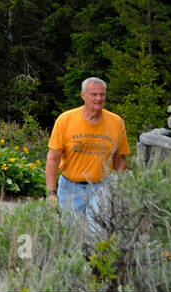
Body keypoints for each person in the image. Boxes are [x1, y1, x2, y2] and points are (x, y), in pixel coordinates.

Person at [46, 77, 129, 234]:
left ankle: (96, 258)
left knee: (98, 233)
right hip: (70, 186)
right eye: (94, 94)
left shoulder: (116, 122)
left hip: (101, 186)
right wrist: (51, 193)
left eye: (102, 95)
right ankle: (74, 258)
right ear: (83, 95)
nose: (99, 99)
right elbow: (53, 158)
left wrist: (122, 189)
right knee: (69, 234)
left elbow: (120, 160)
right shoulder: (66, 120)